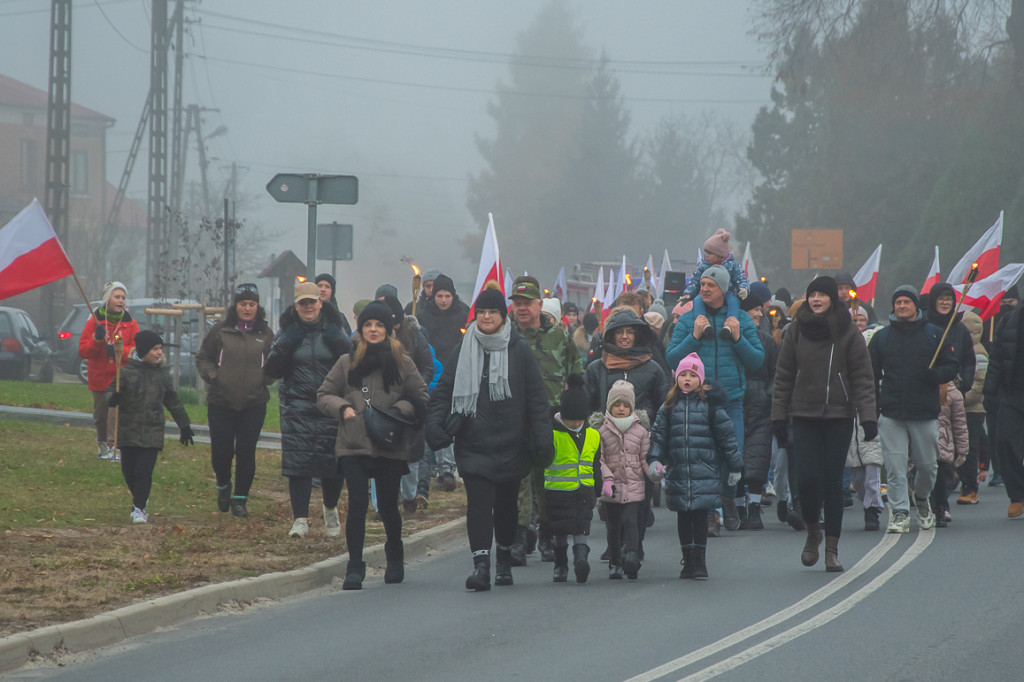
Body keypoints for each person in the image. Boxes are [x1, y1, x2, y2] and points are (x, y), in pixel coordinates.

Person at [424, 288, 551, 591]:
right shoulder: (463, 349)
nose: (487, 317)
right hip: (473, 442)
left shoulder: (519, 350)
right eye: (481, 312)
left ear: (502, 317)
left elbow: (536, 399)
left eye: (492, 312)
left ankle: (504, 559)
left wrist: (543, 439)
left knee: (506, 507)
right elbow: (444, 391)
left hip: (512, 444)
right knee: (479, 504)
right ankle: (481, 565)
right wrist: (434, 427)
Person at [317, 301, 429, 590]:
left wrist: (400, 410)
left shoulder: (402, 361)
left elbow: (420, 396)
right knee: (356, 503)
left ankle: (395, 556)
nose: (374, 330)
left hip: (389, 442)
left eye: (379, 325)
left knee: (389, 506)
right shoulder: (346, 361)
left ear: (389, 328)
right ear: (361, 328)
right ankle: (355, 566)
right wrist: (342, 408)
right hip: (353, 442)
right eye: (368, 325)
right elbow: (324, 394)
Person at [772, 276, 876, 571]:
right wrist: (778, 416)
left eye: (822, 295)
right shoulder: (795, 331)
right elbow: (783, 377)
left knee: (832, 484)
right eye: (812, 294)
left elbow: (863, 378)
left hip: (838, 416)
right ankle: (813, 530)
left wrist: (868, 416)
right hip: (803, 415)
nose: (816, 299)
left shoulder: (847, 331)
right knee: (806, 480)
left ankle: (831, 548)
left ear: (833, 299)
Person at [666, 264, 764, 532]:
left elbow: (757, 361)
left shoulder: (741, 320)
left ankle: (728, 498)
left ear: (723, 289)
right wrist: (694, 336)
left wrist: (738, 338)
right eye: (703, 284)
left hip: (731, 400)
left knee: (733, 455)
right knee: (704, 458)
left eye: (711, 285)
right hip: (697, 401)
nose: (704, 288)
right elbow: (671, 358)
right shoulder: (688, 320)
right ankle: (712, 512)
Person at [264, 282, 352, 539]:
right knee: (298, 464)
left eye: (312, 302)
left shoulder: (336, 330)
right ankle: (300, 519)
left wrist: (340, 342)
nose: (308, 307)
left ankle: (330, 508)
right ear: (296, 305)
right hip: (297, 407)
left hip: (331, 406)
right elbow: (271, 371)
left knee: (333, 464)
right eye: (303, 303)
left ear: (321, 303)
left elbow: (353, 365)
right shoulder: (286, 333)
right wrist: (285, 344)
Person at [868, 285, 959, 533]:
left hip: (924, 412)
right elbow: (870, 375)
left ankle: (921, 499)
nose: (902, 306)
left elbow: (952, 366)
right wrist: (874, 406)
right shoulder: (882, 337)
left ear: (915, 306)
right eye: (898, 302)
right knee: (895, 468)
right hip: (892, 413)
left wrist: (936, 375)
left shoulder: (934, 335)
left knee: (928, 466)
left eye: (907, 302)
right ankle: (899, 513)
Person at [509, 275, 585, 565]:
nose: (522, 308)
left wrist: (574, 415)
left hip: (550, 420)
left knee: (547, 480)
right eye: (517, 303)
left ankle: (547, 535)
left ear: (539, 305)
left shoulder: (559, 336)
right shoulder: (507, 336)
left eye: (527, 303)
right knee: (520, 480)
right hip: (515, 418)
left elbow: (575, 374)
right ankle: (518, 536)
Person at [648, 353, 742, 579]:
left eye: (692, 375)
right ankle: (687, 558)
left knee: (700, 515)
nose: (687, 379)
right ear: (676, 378)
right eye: (683, 375)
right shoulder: (669, 407)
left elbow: (727, 439)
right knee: (683, 516)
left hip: (705, 471)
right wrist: (654, 460)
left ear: (701, 379)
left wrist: (735, 466)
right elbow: (659, 436)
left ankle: (700, 559)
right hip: (679, 470)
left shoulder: (711, 407)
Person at [195, 283, 274, 519]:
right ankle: (223, 486)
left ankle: (240, 499)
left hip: (254, 402)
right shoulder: (220, 330)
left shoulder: (266, 334)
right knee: (222, 451)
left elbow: (276, 361)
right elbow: (203, 357)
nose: (247, 308)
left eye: (252, 304)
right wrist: (212, 376)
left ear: (257, 306)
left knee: (246, 452)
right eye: (243, 304)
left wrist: (266, 378)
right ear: (235, 306)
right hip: (221, 401)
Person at [106, 330, 194, 523]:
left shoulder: (161, 375)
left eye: (160, 349)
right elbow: (110, 393)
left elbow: (173, 401)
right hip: (128, 431)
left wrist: (184, 425)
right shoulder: (126, 373)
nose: (159, 353)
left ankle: (139, 508)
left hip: (152, 432)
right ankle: (139, 498)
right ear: (144, 350)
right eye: (155, 349)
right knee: (129, 471)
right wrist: (113, 398)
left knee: (143, 471)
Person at [381, 294, 437, 514]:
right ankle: (384, 502)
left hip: (411, 401)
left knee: (413, 454)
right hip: (384, 402)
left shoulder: (414, 335)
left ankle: (410, 495)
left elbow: (427, 366)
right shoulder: (375, 336)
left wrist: (415, 388)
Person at [415, 273, 470, 493]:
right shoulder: (423, 315)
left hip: (457, 370)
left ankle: (448, 467)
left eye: (447, 295)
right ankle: (430, 468)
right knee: (433, 419)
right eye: (440, 295)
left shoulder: (463, 313)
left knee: (452, 418)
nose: (444, 300)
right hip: (433, 372)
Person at [545, 375, 598, 583]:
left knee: (581, 526)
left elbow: (596, 463)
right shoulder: (553, 433)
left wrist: (601, 485)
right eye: (571, 419)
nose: (576, 423)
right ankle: (560, 565)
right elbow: (543, 457)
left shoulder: (593, 435)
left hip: (585, 490)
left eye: (580, 419)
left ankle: (580, 559)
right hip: (557, 491)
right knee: (559, 529)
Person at [79, 281, 140, 461]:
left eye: (123, 297)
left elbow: (137, 351)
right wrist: (97, 340)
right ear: (108, 299)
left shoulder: (130, 323)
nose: (121, 301)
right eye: (117, 297)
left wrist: (121, 351)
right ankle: (102, 444)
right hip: (100, 377)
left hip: (121, 377)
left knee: (119, 413)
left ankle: (117, 446)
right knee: (101, 415)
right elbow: (83, 351)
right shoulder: (94, 321)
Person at [597, 380, 651, 580]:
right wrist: (607, 479)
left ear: (632, 407)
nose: (621, 409)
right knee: (613, 526)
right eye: (617, 405)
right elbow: (599, 459)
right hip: (610, 488)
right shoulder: (601, 431)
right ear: (610, 406)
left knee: (630, 521)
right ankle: (615, 561)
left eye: (626, 405)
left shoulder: (641, 431)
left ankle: (632, 555)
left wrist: (654, 472)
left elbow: (644, 458)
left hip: (633, 485)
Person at [737, 289, 779, 530]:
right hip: (736, 403)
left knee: (758, 460)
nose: (759, 313)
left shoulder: (767, 342)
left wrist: (768, 394)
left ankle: (754, 510)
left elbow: (776, 373)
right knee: (737, 461)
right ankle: (739, 509)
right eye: (754, 309)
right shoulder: (728, 338)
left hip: (761, 407)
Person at [981, 297, 1024, 518]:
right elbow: (996, 359)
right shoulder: (1009, 321)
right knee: (1004, 441)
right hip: (1012, 392)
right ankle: (1017, 495)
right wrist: (989, 390)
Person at [678, 228, 750, 340]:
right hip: (705, 296)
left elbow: (741, 278)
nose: (706, 255)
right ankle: (703, 323)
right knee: (697, 301)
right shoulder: (703, 265)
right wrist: (688, 294)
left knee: (733, 302)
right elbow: (695, 281)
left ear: (719, 254)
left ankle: (730, 325)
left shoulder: (732, 265)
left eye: (710, 253)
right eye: (706, 252)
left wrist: (743, 288)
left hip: (728, 292)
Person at [957, 311, 987, 505]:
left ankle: (970, 488)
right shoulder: (962, 348)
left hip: (972, 408)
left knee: (970, 449)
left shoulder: (979, 352)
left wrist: (959, 399)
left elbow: (978, 384)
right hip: (959, 406)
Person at [933, 381, 968, 527]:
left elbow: (959, 424)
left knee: (943, 477)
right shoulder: (916, 387)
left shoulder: (953, 393)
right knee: (925, 476)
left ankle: (941, 508)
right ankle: (928, 507)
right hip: (923, 441)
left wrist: (962, 450)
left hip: (944, 444)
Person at [314, 273, 352, 337]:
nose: (323, 289)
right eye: (320, 286)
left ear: (332, 291)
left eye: (327, 286)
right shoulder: (307, 314)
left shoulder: (340, 317)